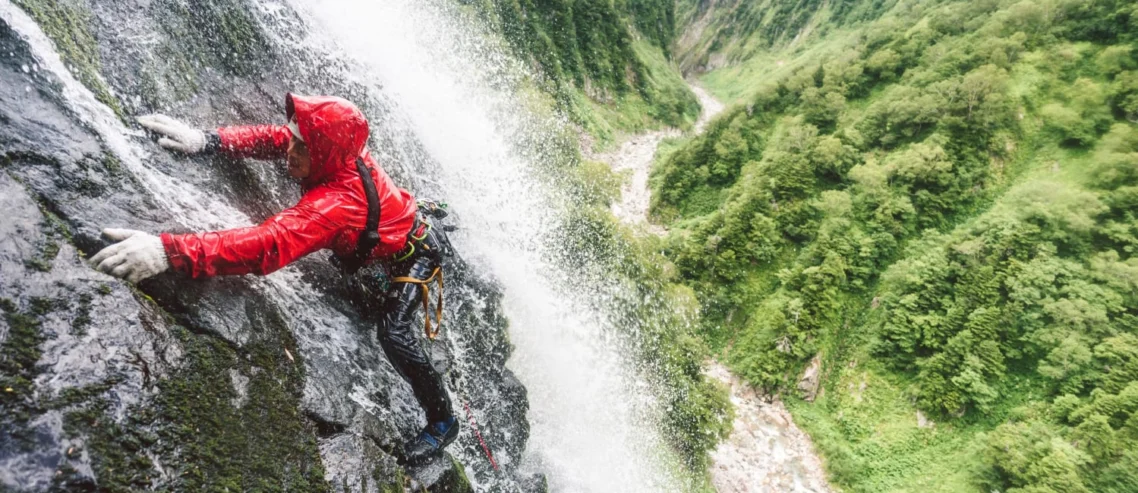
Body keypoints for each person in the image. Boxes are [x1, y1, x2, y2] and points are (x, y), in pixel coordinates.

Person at [90, 94, 458, 464]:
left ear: (325, 153)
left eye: (301, 145)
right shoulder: (331, 149)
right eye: (295, 139)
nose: (290, 148)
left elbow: (267, 245)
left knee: (392, 332)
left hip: (416, 252)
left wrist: (168, 251)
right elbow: (274, 138)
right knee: (365, 296)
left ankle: (443, 422)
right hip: (385, 238)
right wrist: (209, 140)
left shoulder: (335, 205)